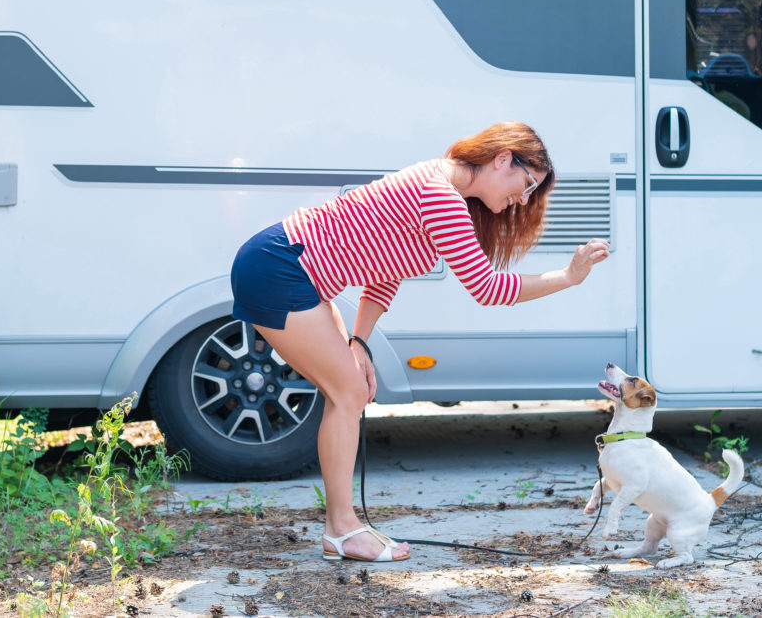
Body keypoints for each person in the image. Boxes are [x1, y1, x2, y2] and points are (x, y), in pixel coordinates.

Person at [230, 122, 610, 562]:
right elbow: (486, 289)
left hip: (295, 272)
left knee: (350, 389)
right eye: (526, 185)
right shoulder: (441, 194)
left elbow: (384, 273)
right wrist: (568, 277)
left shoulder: (448, 192)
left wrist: (358, 343)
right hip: (279, 268)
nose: (523, 200)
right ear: (503, 158)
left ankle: (342, 527)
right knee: (348, 392)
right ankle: (341, 530)